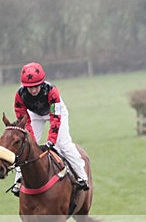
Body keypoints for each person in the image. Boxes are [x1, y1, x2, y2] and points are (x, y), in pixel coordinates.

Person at [11, 62, 89, 196]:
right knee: (26, 145)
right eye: (30, 87)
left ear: (41, 83)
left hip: (56, 113)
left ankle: (82, 176)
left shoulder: (51, 91)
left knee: (63, 144)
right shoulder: (20, 95)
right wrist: (33, 141)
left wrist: (51, 141)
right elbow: (23, 121)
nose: (34, 90)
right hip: (34, 114)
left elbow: (55, 118)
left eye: (36, 86)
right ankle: (18, 181)